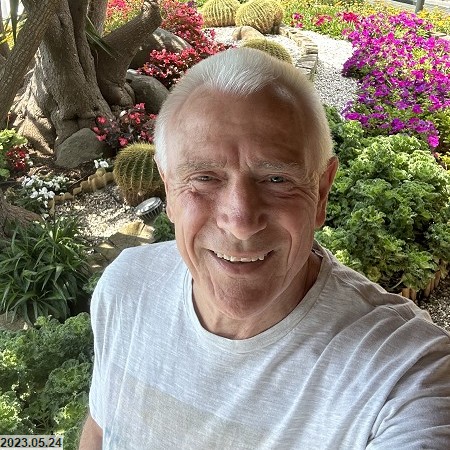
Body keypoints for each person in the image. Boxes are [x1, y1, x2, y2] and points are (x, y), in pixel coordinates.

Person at [79, 47, 450, 449]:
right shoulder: (127, 286)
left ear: (321, 193)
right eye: (204, 178)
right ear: (168, 190)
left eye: (276, 179)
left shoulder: (405, 375)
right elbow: (100, 432)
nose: (240, 221)